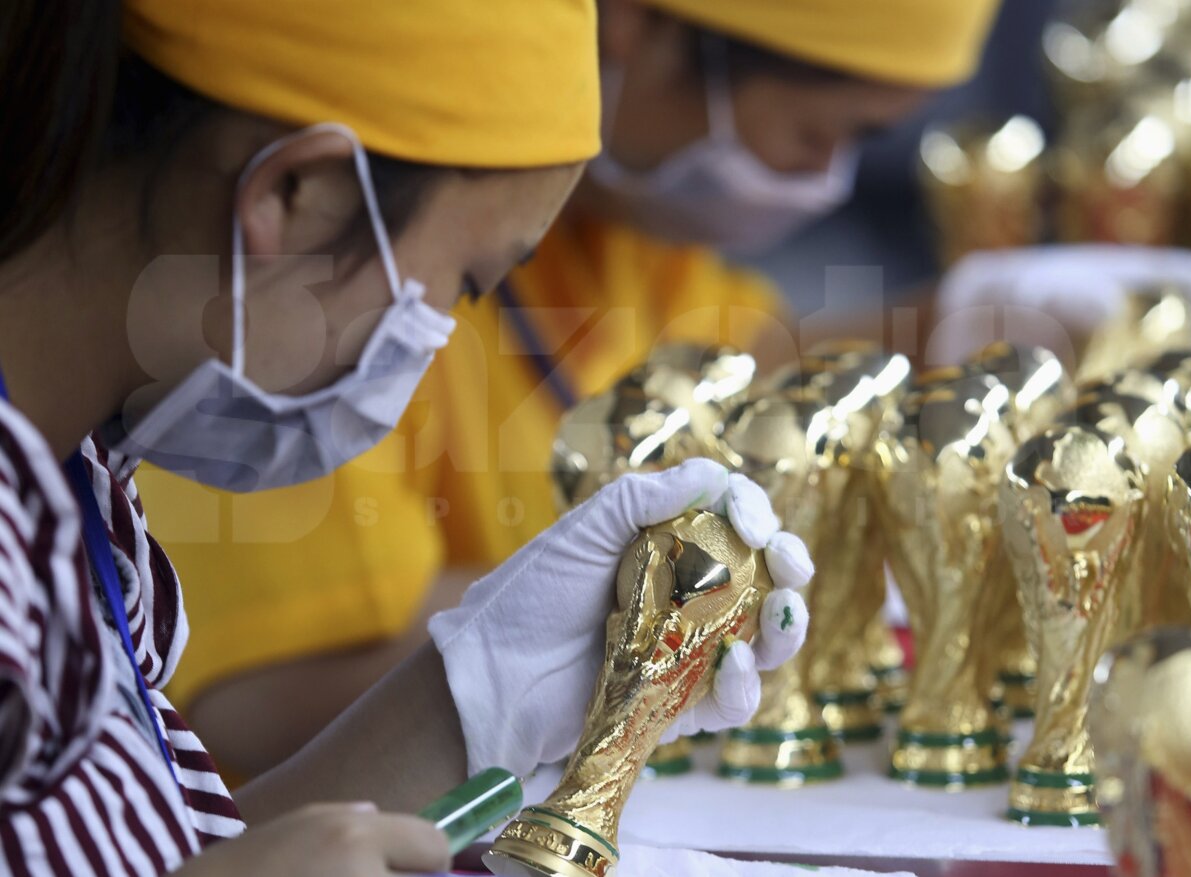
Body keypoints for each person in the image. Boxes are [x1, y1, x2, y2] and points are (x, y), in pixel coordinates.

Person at [0, 1, 812, 873]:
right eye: (466, 283)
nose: (439, 340)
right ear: (297, 195)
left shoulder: (84, 496)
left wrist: (481, 685)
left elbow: (170, 854)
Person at [137, 0, 1003, 779]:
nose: (828, 175)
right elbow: (253, 697)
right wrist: (582, 629)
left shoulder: (621, 233)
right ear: (638, 22)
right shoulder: (326, 289)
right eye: (818, 133)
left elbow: (754, 378)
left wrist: (967, 319)